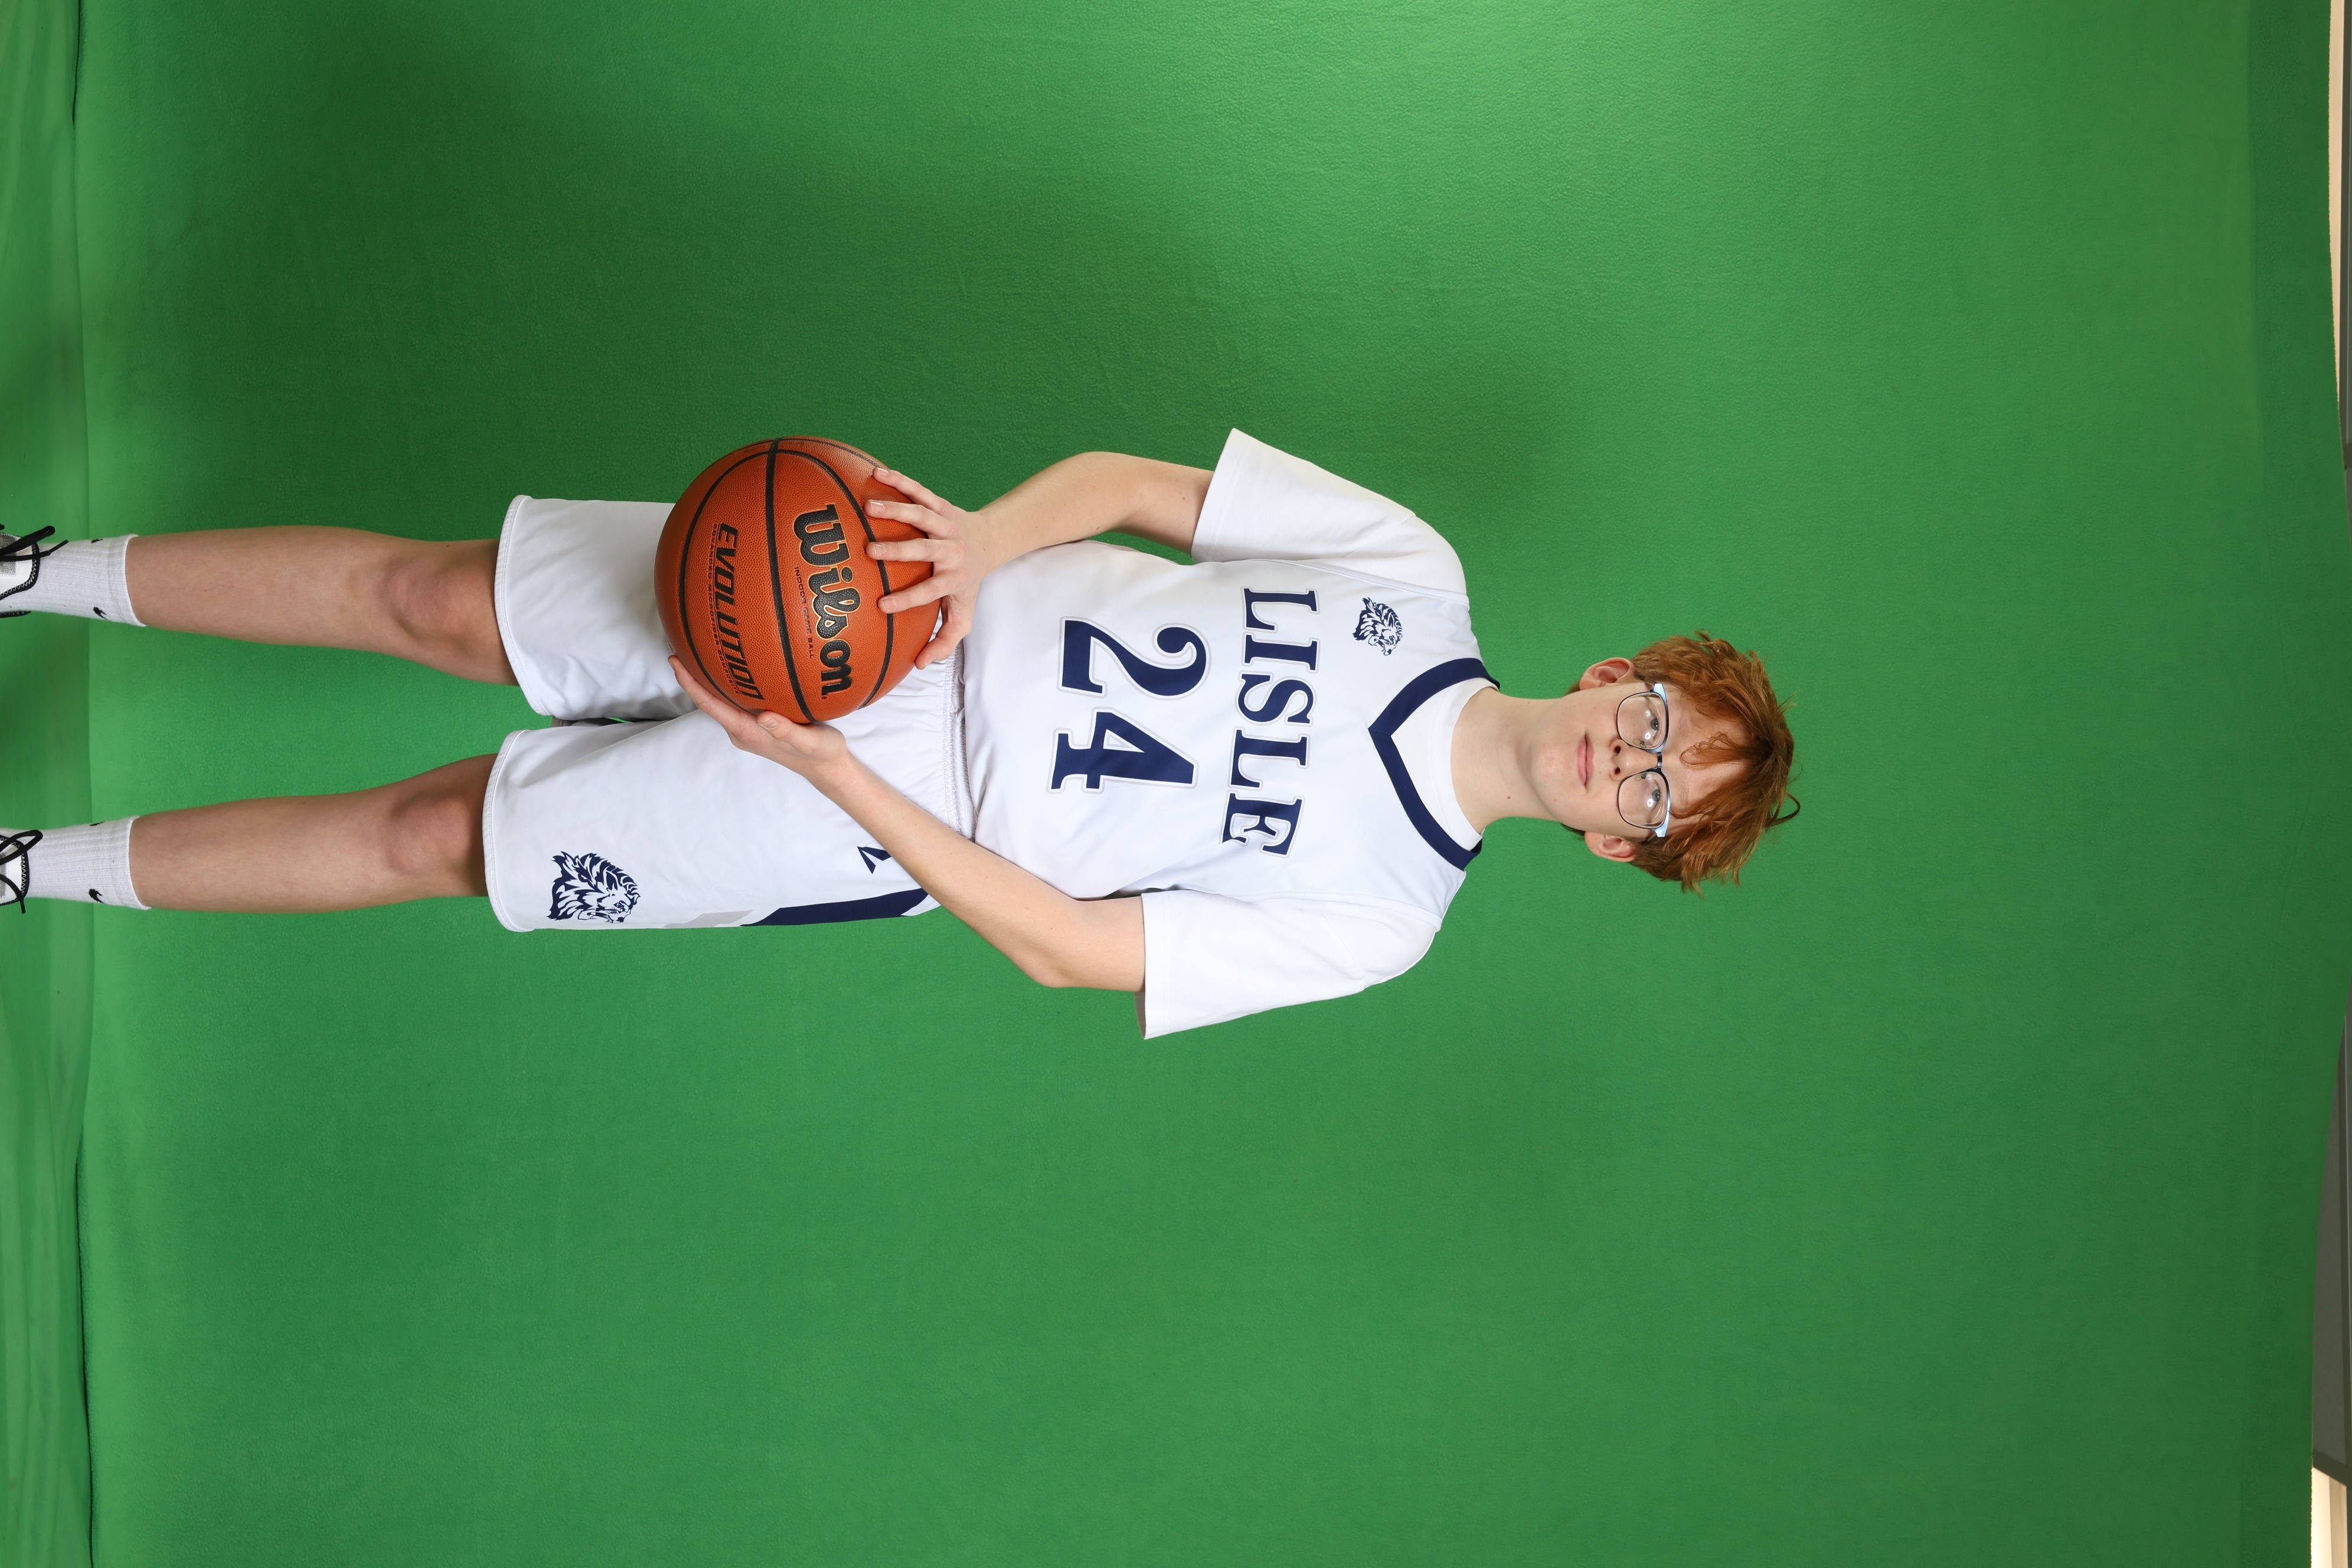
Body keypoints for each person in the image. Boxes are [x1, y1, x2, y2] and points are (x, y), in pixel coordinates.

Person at [0, 431, 1798, 1034]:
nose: (1630, 760)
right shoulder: (1412, 569)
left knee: (432, 838)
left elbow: (1074, 948)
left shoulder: (1383, 919)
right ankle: (34, 572)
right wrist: (973, 546)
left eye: (1659, 793)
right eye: (1658, 723)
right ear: (1624, 671)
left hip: (873, 813)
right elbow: (1135, 488)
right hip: (896, 602)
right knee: (438, 600)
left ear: (1620, 844)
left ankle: (29, 867)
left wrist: (843, 775)